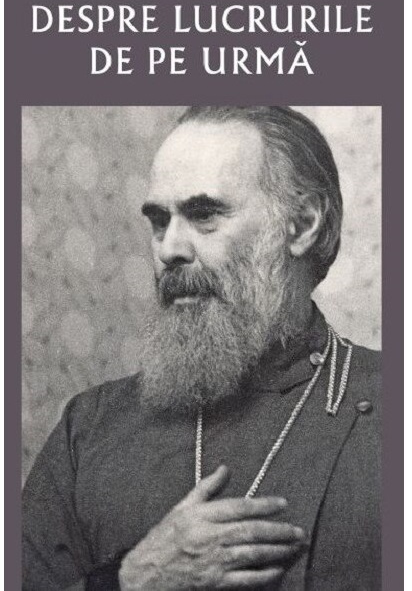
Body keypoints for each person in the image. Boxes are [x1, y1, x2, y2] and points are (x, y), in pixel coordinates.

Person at [22, 106, 381, 591]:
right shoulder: (87, 429)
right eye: (159, 220)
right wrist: (130, 581)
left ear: (301, 225)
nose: (169, 248)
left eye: (204, 215)